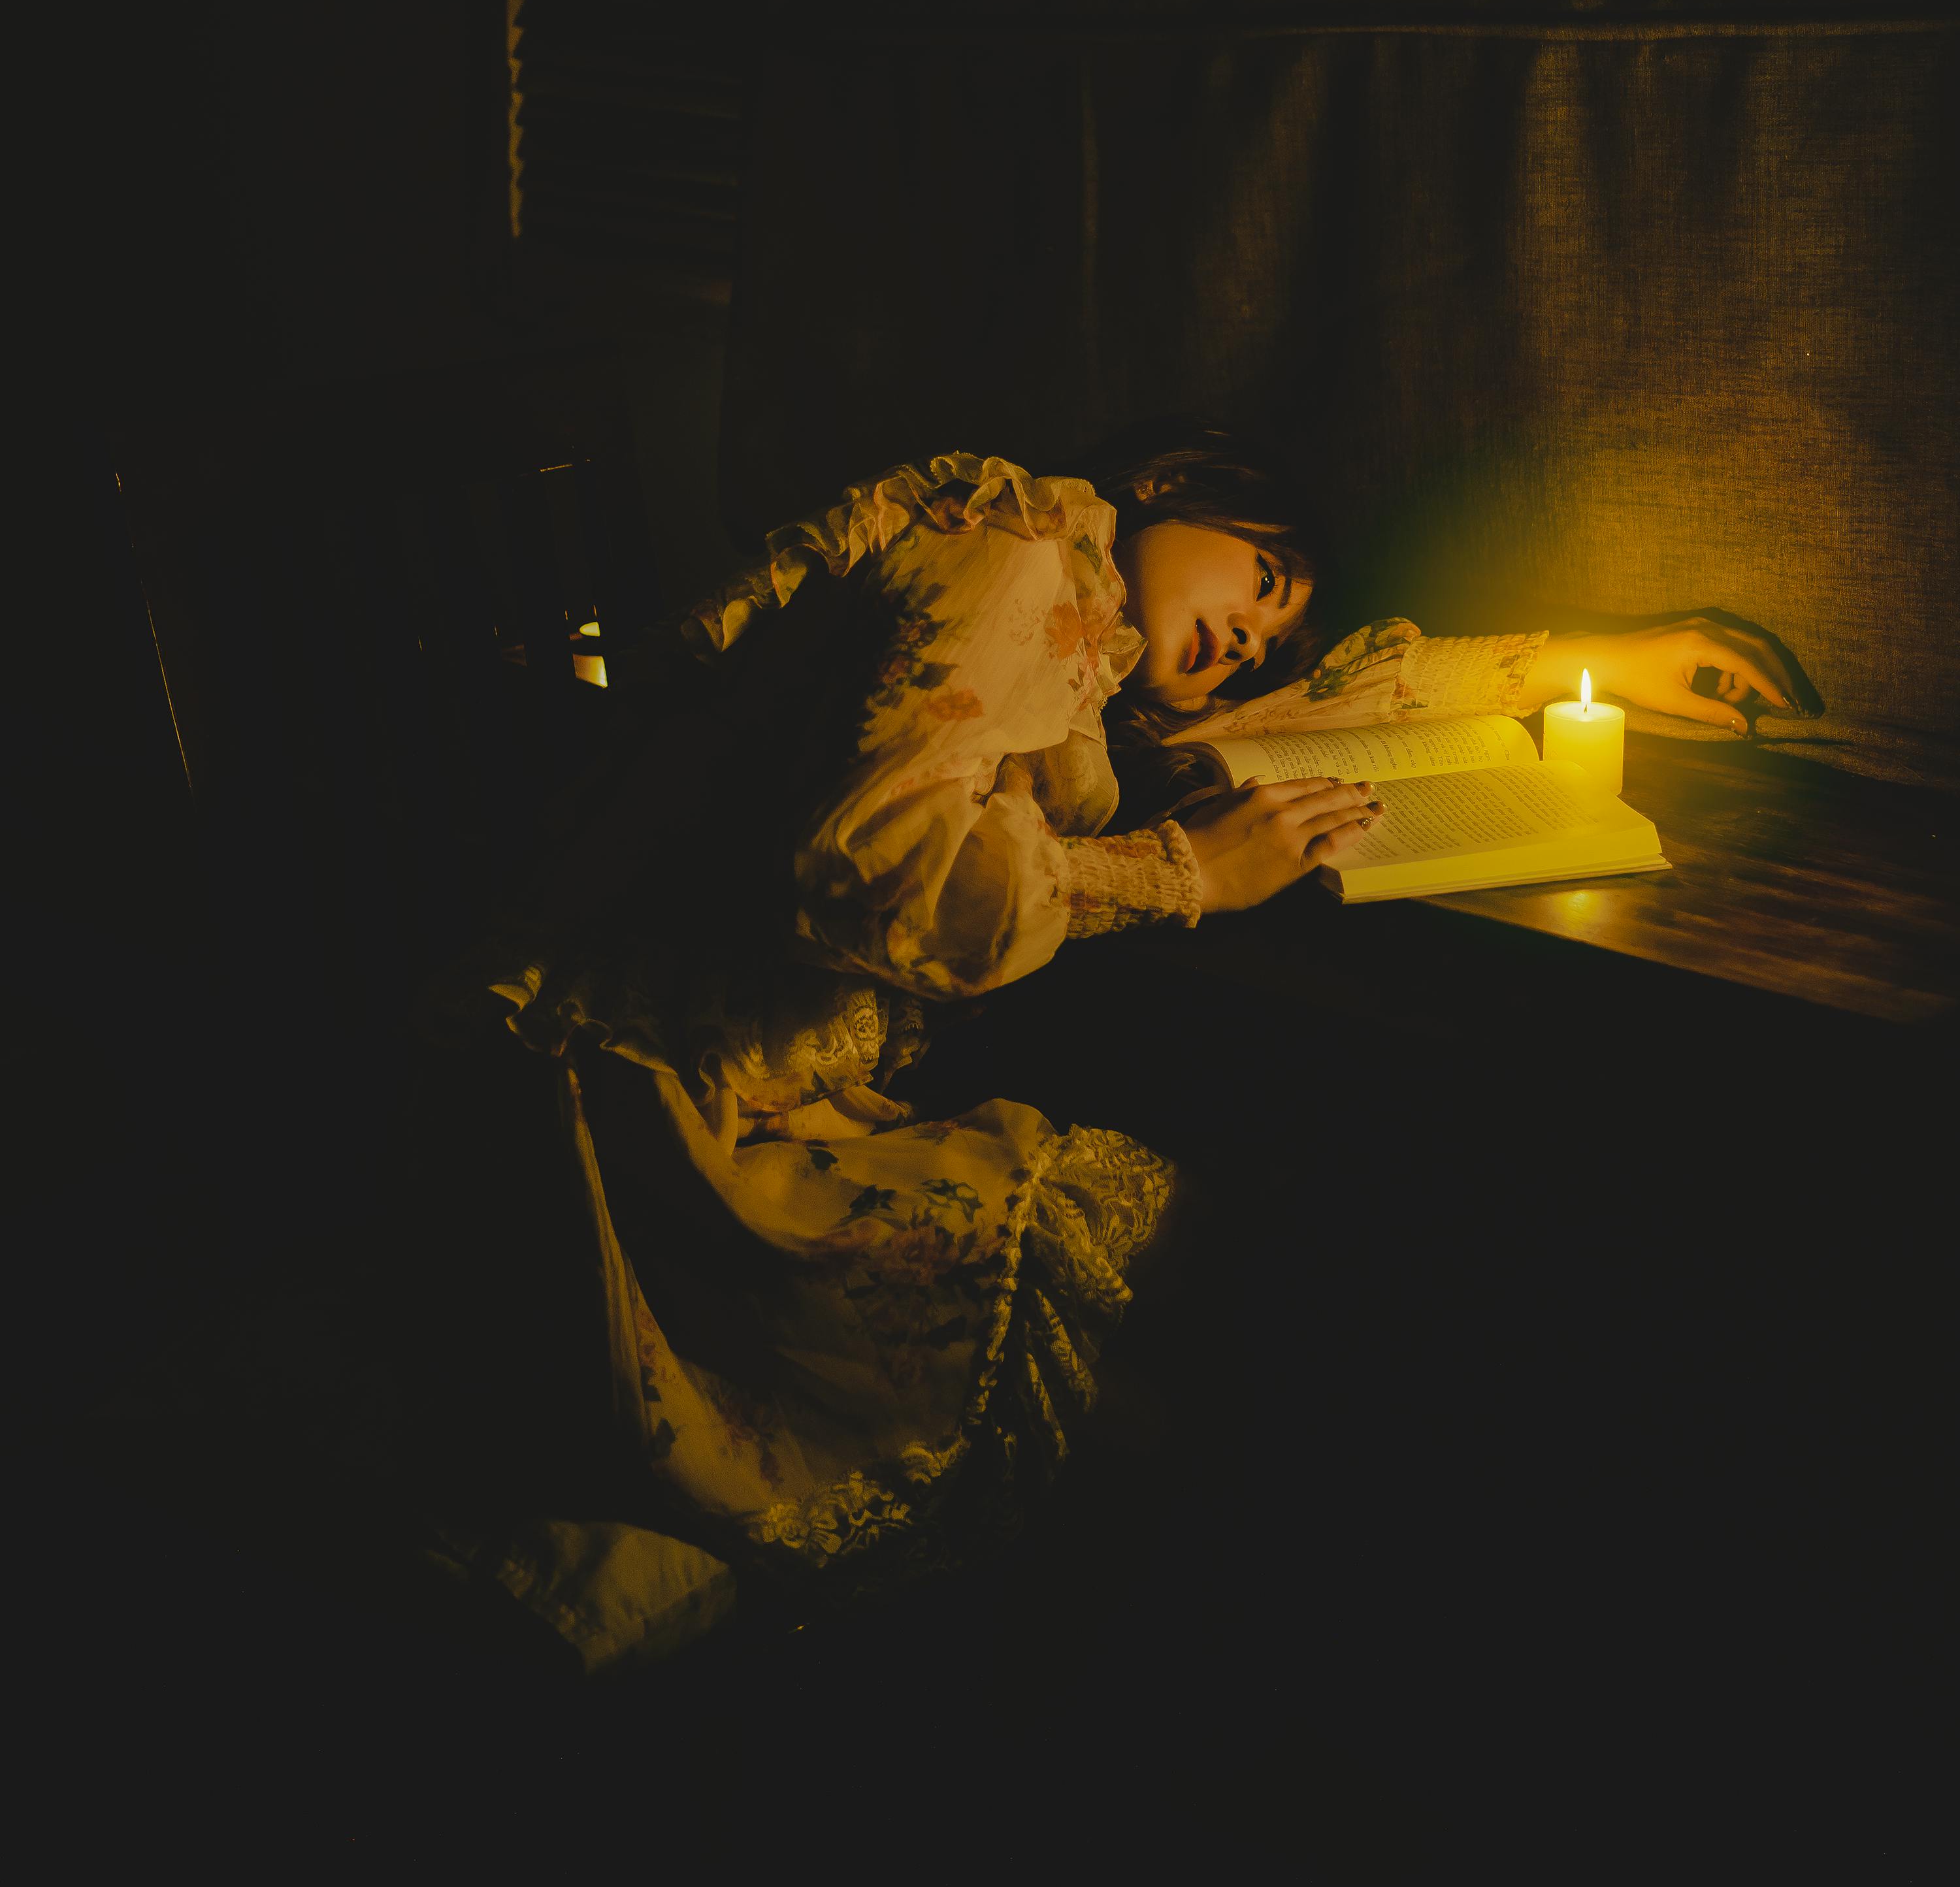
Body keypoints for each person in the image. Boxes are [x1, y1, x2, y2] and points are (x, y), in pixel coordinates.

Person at [433, 428, 1804, 1669]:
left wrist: (1606, 662)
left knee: (1211, 1286)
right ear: (1169, 485)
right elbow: (870, 868)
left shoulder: (1097, 659)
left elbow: (1331, 690)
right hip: (640, 1103)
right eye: (1260, 579)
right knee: (1199, 1283)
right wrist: (1179, 872)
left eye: (1271, 631)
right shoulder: (1023, 550)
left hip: (750, 1085)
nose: (1253, 639)